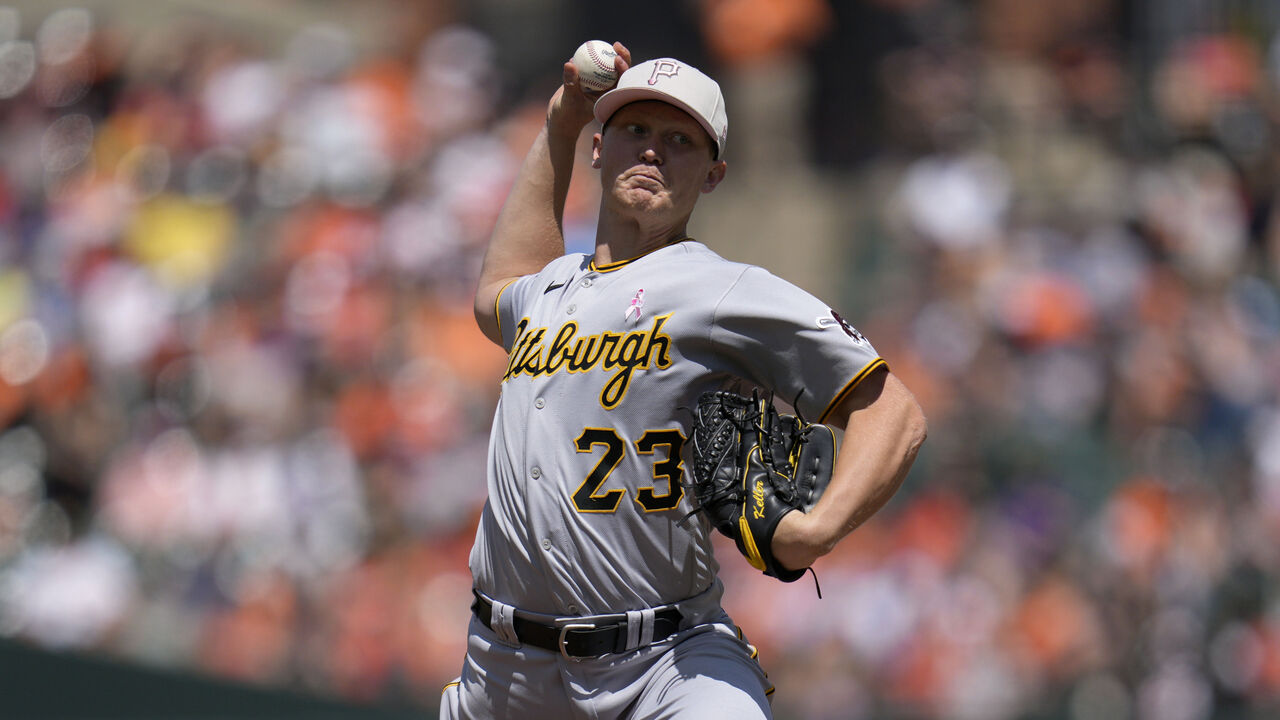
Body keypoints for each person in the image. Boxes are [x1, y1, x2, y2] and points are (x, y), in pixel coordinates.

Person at [440, 42, 927, 719]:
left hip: (663, 662)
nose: (652, 151)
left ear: (713, 175)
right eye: (635, 131)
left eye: (679, 141)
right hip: (503, 672)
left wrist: (816, 530)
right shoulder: (546, 291)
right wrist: (561, 120)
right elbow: (496, 289)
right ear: (599, 150)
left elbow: (893, 411)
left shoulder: (720, 291)